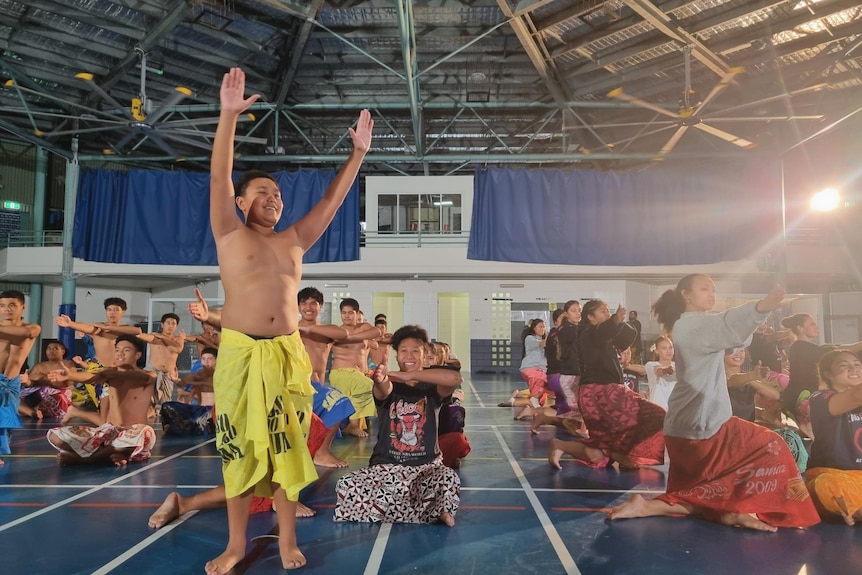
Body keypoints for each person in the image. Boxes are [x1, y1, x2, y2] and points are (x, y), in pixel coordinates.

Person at [205, 67, 372, 574]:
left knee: (286, 450)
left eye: (277, 194)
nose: (273, 199)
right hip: (238, 355)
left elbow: (330, 200)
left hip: (284, 357)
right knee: (239, 454)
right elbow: (218, 175)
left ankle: (285, 539)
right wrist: (229, 117)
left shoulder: (294, 240)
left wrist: (358, 153)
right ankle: (236, 544)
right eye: (261, 192)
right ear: (239, 201)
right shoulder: (229, 233)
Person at [608, 275, 820, 531]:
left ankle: (722, 511)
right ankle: (654, 506)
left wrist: (756, 322)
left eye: (713, 289)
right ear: (686, 294)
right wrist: (761, 307)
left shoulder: (689, 326)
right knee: (772, 445)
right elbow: (727, 327)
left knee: (699, 492)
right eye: (704, 288)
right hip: (704, 424)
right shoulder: (693, 325)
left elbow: (732, 337)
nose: (711, 293)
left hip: (685, 428)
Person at [333, 325, 462, 525]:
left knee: (448, 477)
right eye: (403, 351)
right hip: (387, 467)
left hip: (425, 468)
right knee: (347, 484)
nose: (409, 356)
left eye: (415, 351)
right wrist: (381, 378)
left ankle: (399, 510)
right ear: (396, 356)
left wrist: (410, 375)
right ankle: (426, 512)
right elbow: (383, 389)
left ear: (424, 353)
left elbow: (454, 378)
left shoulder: (432, 388)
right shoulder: (391, 383)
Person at [548, 300, 665, 470]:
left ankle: (563, 446)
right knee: (656, 414)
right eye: (602, 311)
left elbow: (628, 337)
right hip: (598, 394)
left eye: (607, 311)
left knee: (597, 453)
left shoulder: (604, 335)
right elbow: (604, 330)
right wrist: (614, 321)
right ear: (590, 317)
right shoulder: (588, 334)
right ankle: (617, 453)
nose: (607, 314)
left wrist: (619, 320)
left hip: (610, 392)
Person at [46, 336, 157, 466]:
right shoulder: (108, 374)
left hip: (133, 435)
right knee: (55, 436)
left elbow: (130, 376)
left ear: (138, 355)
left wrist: (108, 374)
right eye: (117, 350)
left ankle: (87, 459)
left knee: (144, 431)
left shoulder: (149, 375)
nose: (120, 353)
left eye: (126, 350)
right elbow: (92, 376)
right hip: (110, 433)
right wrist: (70, 375)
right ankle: (110, 455)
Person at [296, 286, 358, 467]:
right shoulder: (291, 329)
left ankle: (316, 452)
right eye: (304, 303)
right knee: (339, 400)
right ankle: (322, 454)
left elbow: (343, 334)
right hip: (298, 386)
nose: (308, 307)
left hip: (318, 386)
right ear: (298, 307)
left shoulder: (326, 331)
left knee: (330, 414)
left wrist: (310, 329)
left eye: (313, 303)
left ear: (320, 306)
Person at [781, 313, 862, 438]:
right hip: (802, 396)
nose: (816, 327)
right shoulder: (801, 347)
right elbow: (840, 351)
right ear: (800, 328)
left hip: (802, 395)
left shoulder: (807, 348)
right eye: (812, 324)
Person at [804, 350, 862, 525]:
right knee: (829, 485)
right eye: (844, 365)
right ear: (828, 374)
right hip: (830, 474)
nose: (854, 368)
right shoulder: (820, 398)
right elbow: (855, 395)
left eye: (857, 364)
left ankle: (853, 509)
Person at [329, 297, 384, 438]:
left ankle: (352, 426)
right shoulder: (337, 331)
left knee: (357, 397)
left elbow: (377, 333)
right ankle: (352, 426)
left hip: (357, 374)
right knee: (369, 387)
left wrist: (353, 337)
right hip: (341, 372)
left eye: (350, 313)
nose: (346, 316)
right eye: (344, 313)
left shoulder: (363, 328)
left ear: (356, 313)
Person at [0, 290, 41, 463]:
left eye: (12, 305)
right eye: (2, 306)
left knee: (6, 422)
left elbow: (27, 334)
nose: (6, 309)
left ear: (22, 307)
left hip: (12, 382)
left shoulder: (32, 327)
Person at [55, 297, 141, 366]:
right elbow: (88, 328)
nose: (112, 313)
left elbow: (137, 331)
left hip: (120, 369)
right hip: (99, 368)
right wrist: (71, 324)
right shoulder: (100, 327)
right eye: (109, 310)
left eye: (116, 309)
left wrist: (109, 327)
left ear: (123, 312)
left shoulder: (126, 329)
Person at [136, 312, 185, 408]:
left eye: (173, 324)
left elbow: (178, 349)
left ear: (176, 326)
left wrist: (162, 336)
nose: (170, 326)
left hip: (168, 374)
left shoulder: (178, 339)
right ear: (162, 324)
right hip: (153, 371)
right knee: (148, 401)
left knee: (165, 405)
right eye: (168, 323)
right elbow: (139, 335)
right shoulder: (154, 338)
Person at [18, 341, 76, 420]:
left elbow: (69, 382)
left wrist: (44, 379)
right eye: (49, 348)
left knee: (59, 396)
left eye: (55, 348)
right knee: (10, 396)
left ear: (63, 351)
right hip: (35, 395)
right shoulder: (39, 366)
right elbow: (31, 383)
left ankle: (34, 410)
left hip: (57, 397)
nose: (51, 351)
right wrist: (26, 380)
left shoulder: (69, 364)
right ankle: (31, 412)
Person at [643, 335, 677, 410]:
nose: (668, 351)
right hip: (656, 410)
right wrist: (667, 370)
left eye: (670, 347)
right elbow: (658, 371)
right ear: (656, 351)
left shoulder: (679, 366)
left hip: (674, 411)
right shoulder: (651, 365)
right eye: (664, 348)